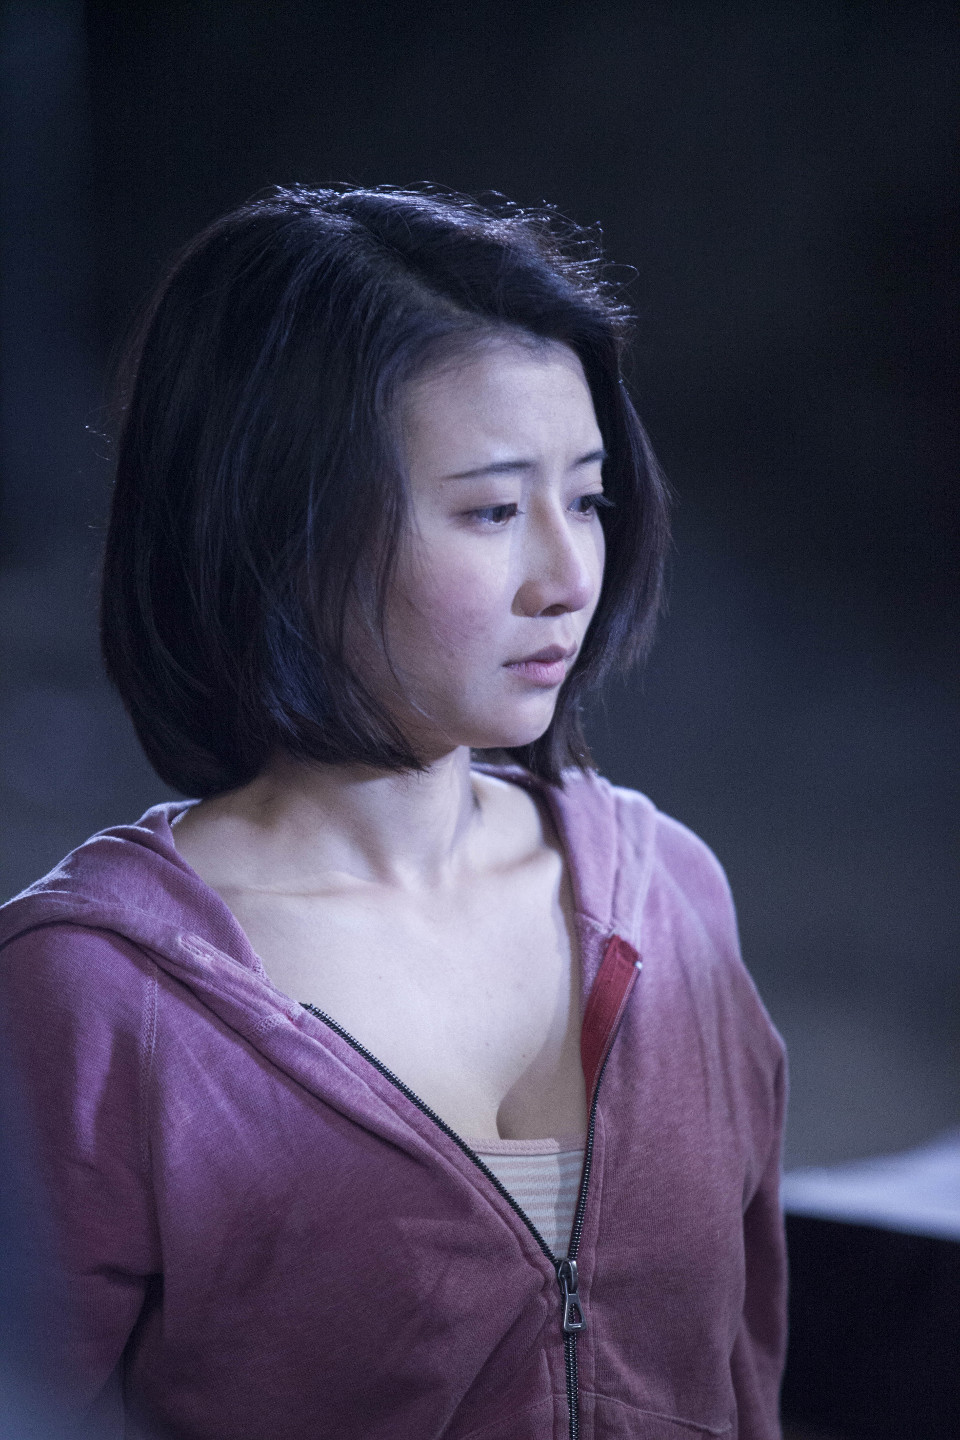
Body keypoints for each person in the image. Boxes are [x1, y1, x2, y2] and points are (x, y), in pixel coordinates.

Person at [0, 186, 787, 1439]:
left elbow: (745, 1371)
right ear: (279, 529)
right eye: (492, 510)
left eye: (587, 498)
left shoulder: (671, 891)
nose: (568, 575)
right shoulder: (97, 996)